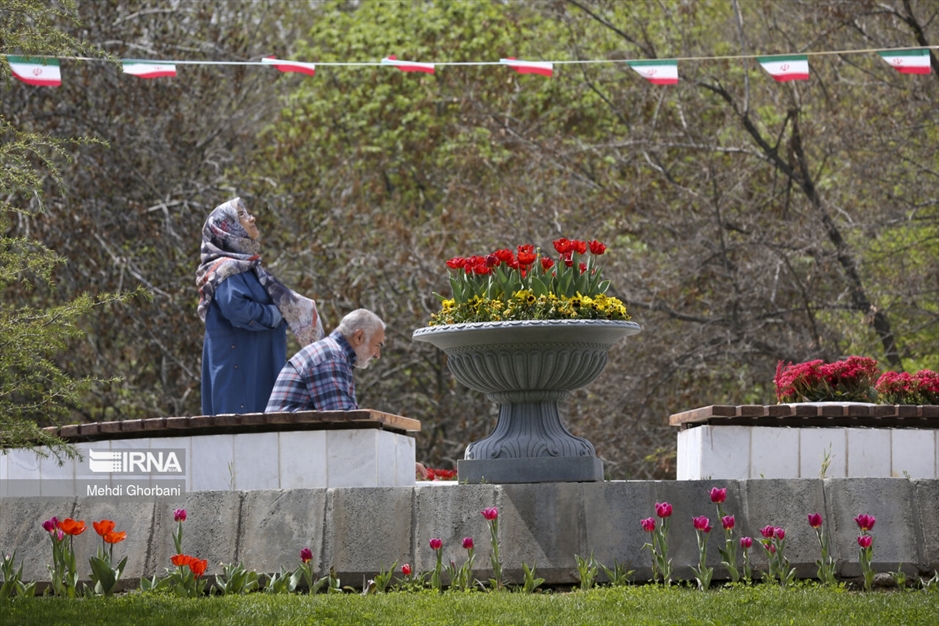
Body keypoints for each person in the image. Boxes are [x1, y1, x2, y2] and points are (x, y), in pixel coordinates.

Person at [196, 197, 324, 415]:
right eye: (242, 216)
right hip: (240, 379)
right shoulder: (225, 271)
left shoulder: (249, 269)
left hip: (257, 369)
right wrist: (277, 313)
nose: (252, 218)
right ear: (227, 229)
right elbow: (236, 309)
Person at [265, 309, 385, 412]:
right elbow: (342, 420)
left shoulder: (332, 353)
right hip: (287, 437)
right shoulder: (331, 357)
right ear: (359, 336)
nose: (377, 355)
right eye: (377, 345)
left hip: (288, 436)